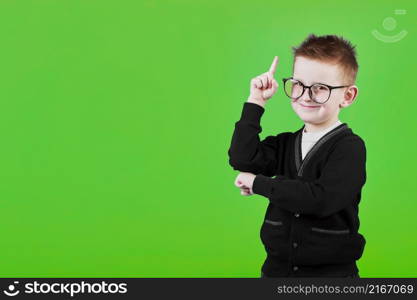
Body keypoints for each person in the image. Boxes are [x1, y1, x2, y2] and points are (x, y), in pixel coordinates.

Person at [228, 34, 366, 278]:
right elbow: (242, 159)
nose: (305, 95)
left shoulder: (350, 148)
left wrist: (258, 183)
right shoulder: (285, 143)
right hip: (276, 270)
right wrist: (256, 101)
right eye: (298, 84)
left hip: (330, 275)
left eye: (320, 88)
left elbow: (320, 199)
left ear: (347, 96)